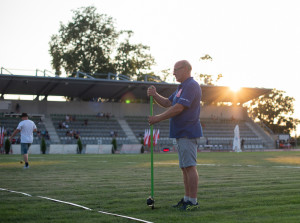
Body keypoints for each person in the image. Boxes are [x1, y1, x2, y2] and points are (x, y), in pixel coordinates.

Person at [147, 60, 203, 211]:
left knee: (190, 167)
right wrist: (155, 94)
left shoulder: (191, 85)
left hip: (187, 131)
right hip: (180, 132)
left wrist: (157, 118)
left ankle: (193, 201)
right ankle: (187, 199)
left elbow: (178, 108)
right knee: (185, 168)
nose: (173, 73)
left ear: (185, 69)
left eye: (176, 69)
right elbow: (167, 102)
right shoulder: (182, 87)